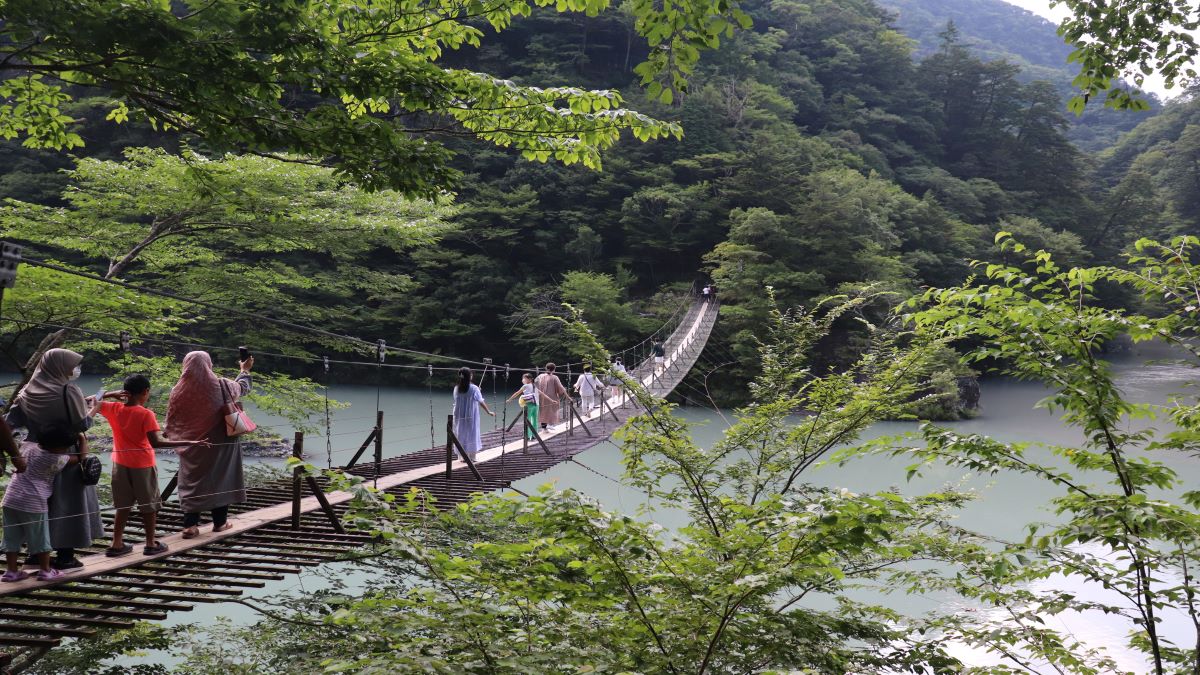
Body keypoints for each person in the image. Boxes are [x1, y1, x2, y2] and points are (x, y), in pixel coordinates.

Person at [6, 348, 102, 570]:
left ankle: (34, 554)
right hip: (65, 451)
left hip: (33, 452)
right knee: (67, 503)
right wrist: (93, 409)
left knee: (38, 504)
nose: (74, 369)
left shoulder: (27, 391)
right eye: (71, 365)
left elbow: (12, 421)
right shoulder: (68, 390)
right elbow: (81, 425)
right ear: (60, 366)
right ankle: (66, 556)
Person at [96, 374, 208, 557]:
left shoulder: (113, 408)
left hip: (119, 463)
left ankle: (116, 544)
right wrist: (190, 442)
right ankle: (150, 543)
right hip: (142, 465)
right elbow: (156, 442)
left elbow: (87, 400)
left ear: (125, 392)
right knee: (149, 505)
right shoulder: (146, 414)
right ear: (145, 392)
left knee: (123, 506)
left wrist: (109, 394)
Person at [166, 351, 252, 539]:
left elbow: (172, 422)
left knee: (190, 481)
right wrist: (244, 371)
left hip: (191, 444)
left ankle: (190, 525)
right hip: (221, 443)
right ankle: (220, 523)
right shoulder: (221, 385)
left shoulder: (177, 391)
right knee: (221, 477)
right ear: (209, 364)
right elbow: (242, 388)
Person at [2, 426, 82, 582]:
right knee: (40, 536)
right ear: (58, 447)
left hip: (11, 499)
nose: (65, 450)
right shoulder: (55, 458)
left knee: (11, 537)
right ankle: (45, 570)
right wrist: (83, 439)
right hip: (34, 501)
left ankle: (11, 572)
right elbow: (80, 458)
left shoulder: (27, 446)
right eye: (65, 447)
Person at [451, 367, 494, 460]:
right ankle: (472, 457)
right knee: (472, 433)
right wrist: (488, 411)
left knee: (460, 433)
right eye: (471, 374)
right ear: (469, 376)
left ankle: (461, 457)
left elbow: (457, 399)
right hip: (471, 414)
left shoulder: (456, 388)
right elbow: (480, 401)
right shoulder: (474, 388)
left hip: (458, 414)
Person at [534, 363, 568, 430]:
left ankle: (544, 426)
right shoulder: (555, 377)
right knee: (552, 410)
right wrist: (565, 391)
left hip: (541, 396)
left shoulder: (540, 376)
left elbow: (535, 384)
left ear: (546, 368)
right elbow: (560, 387)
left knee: (543, 410)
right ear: (554, 369)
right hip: (552, 396)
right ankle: (549, 424)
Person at [506, 373, 539, 439]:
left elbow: (517, 393)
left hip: (528, 405)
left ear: (529, 379)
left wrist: (510, 399)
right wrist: (551, 400)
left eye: (524, 378)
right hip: (536, 404)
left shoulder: (525, 386)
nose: (523, 380)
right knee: (535, 420)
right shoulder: (534, 385)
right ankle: (534, 435)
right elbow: (541, 394)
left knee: (527, 420)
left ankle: (527, 436)